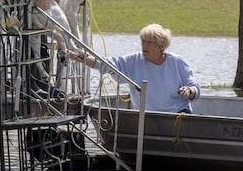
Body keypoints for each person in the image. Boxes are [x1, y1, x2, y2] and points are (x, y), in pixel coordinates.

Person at [71, 24, 201, 113]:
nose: (145, 45)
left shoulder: (177, 62)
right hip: (146, 119)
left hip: (178, 115)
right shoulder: (133, 60)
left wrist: (190, 91)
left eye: (149, 42)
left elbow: (194, 87)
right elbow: (106, 64)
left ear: (160, 45)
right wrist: (79, 57)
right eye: (143, 41)